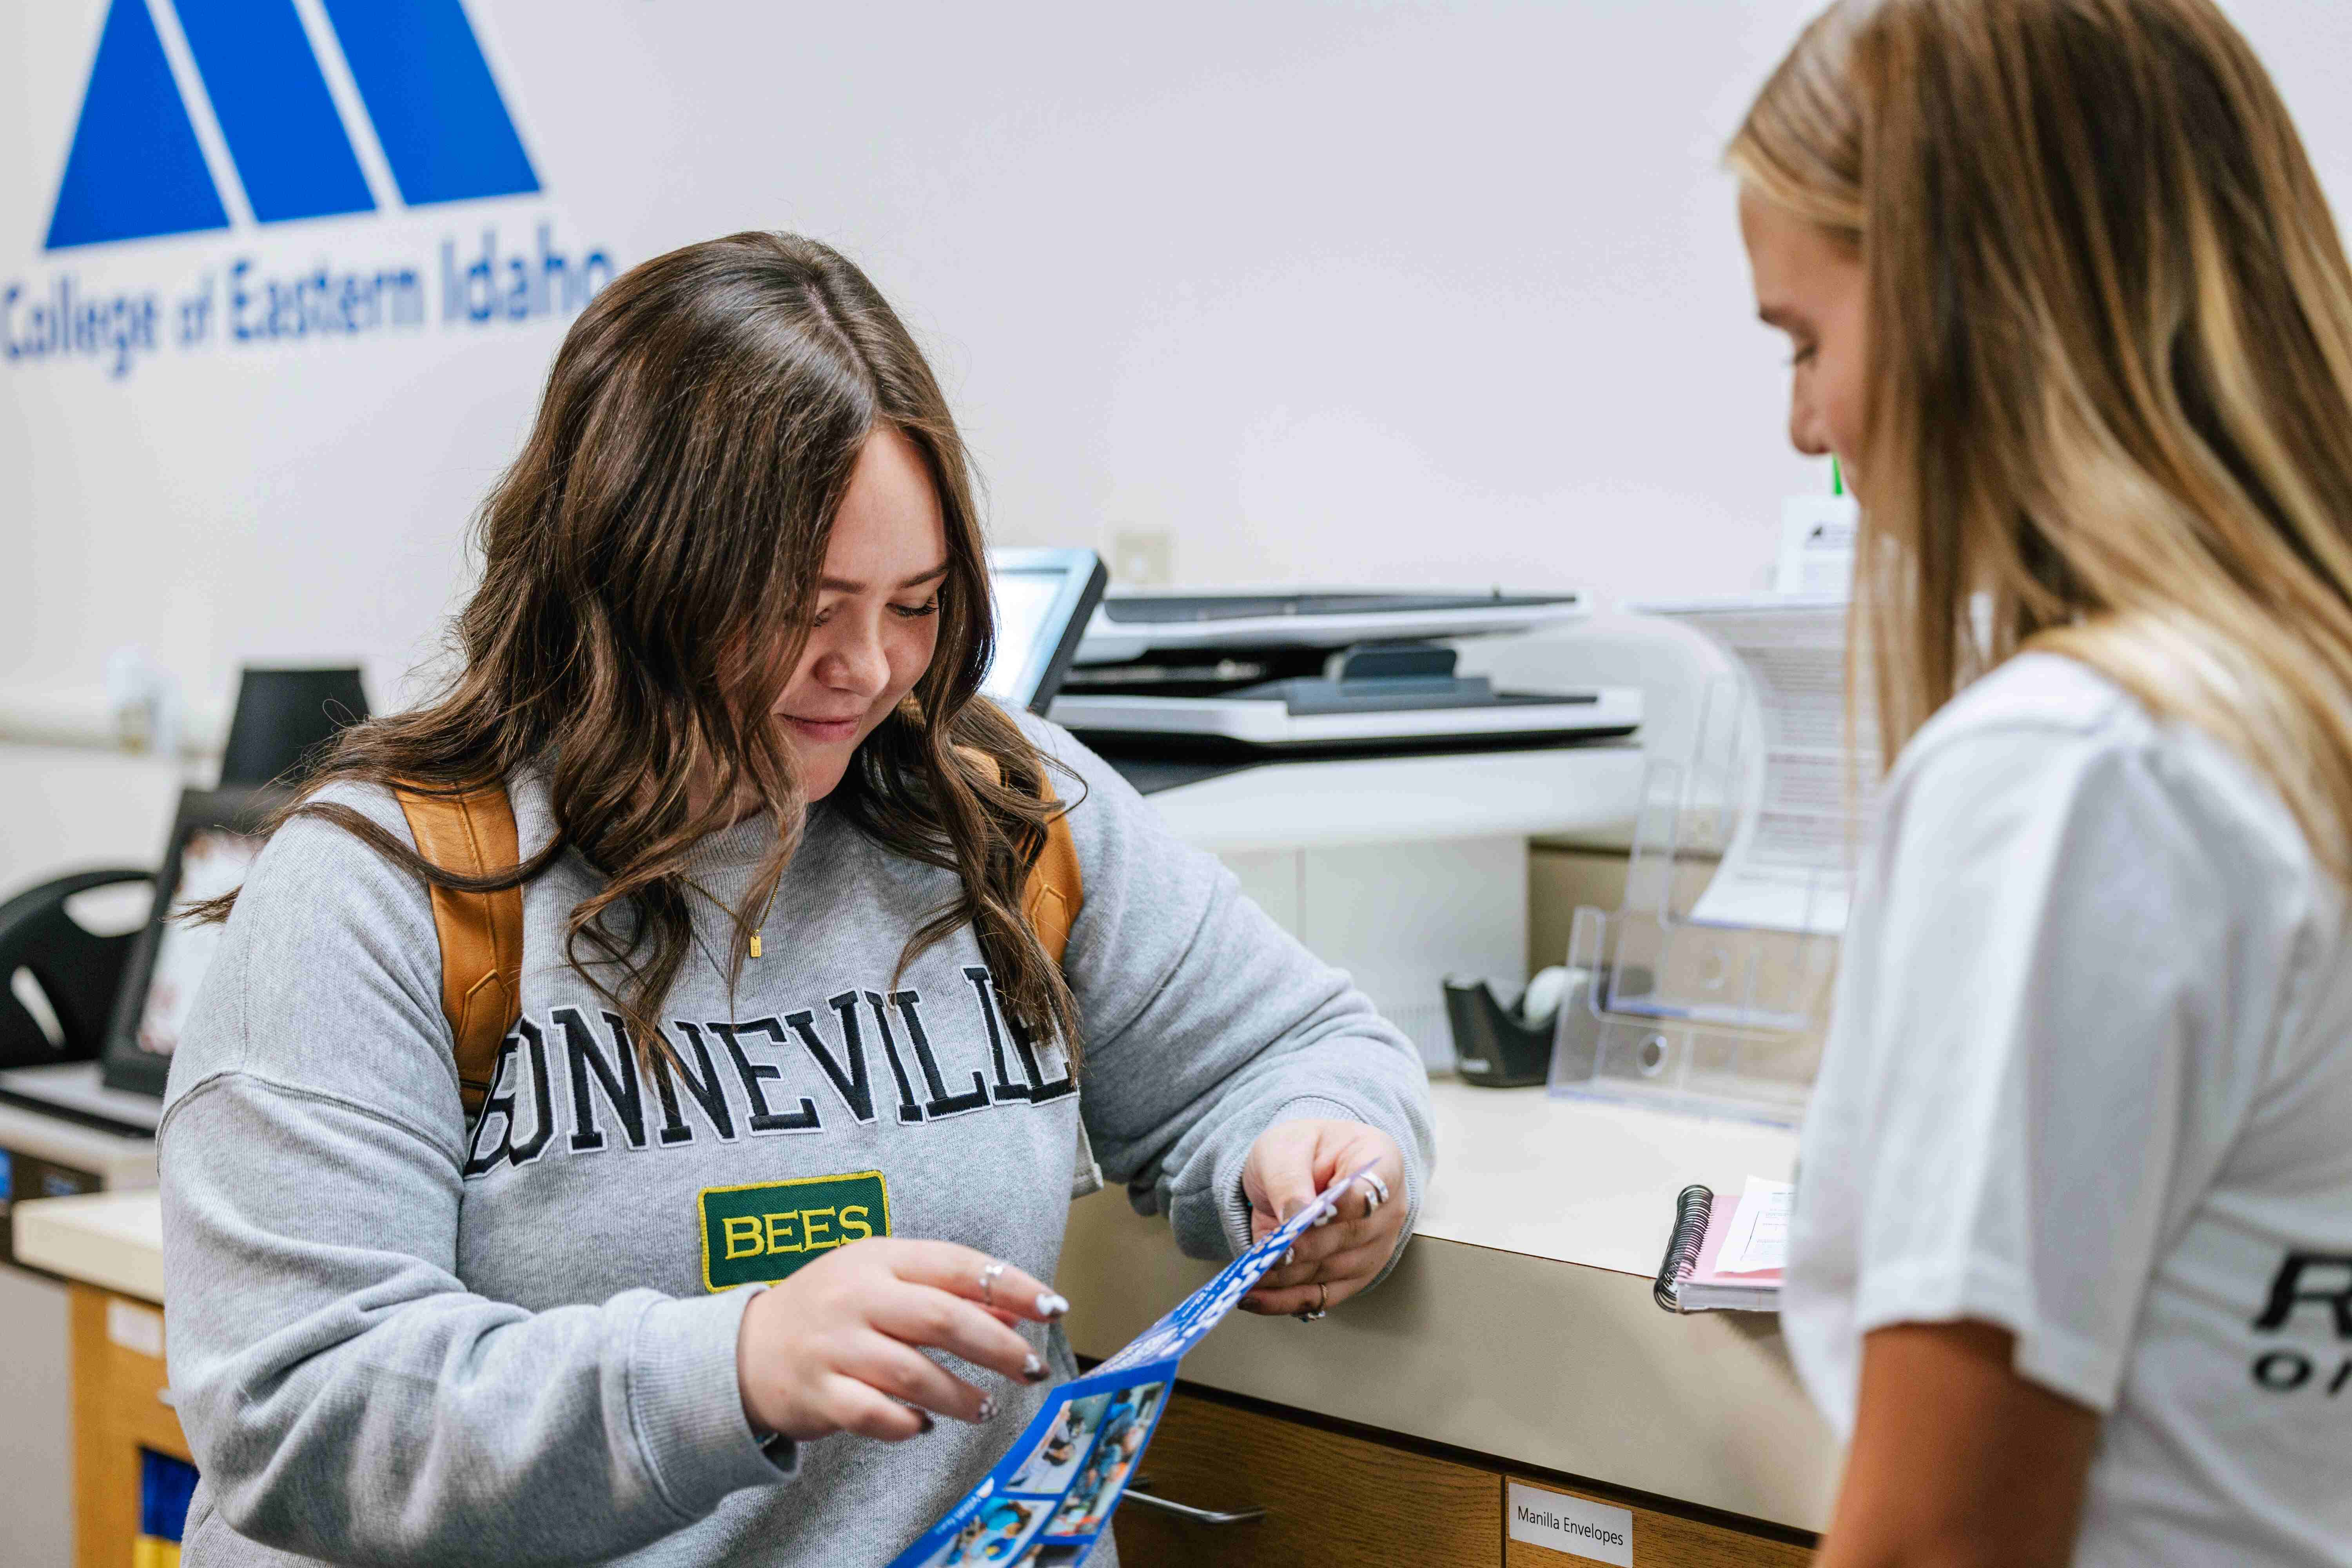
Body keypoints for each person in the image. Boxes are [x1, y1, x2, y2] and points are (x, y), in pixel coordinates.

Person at [158, 232, 1432, 1567]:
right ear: (636, 577)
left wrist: (1312, 1146)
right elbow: (302, 1406)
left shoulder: (1006, 813)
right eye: (805, 608)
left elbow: (1301, 1052)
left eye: (918, 604)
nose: (870, 668)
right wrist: (736, 1366)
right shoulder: (381, 885)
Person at [1730, 2, 2352, 1563]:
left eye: (1809, 340)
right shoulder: (2298, 710)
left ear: (1970, 301)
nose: (1808, 425)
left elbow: (1942, 1543)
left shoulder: (2076, 772)